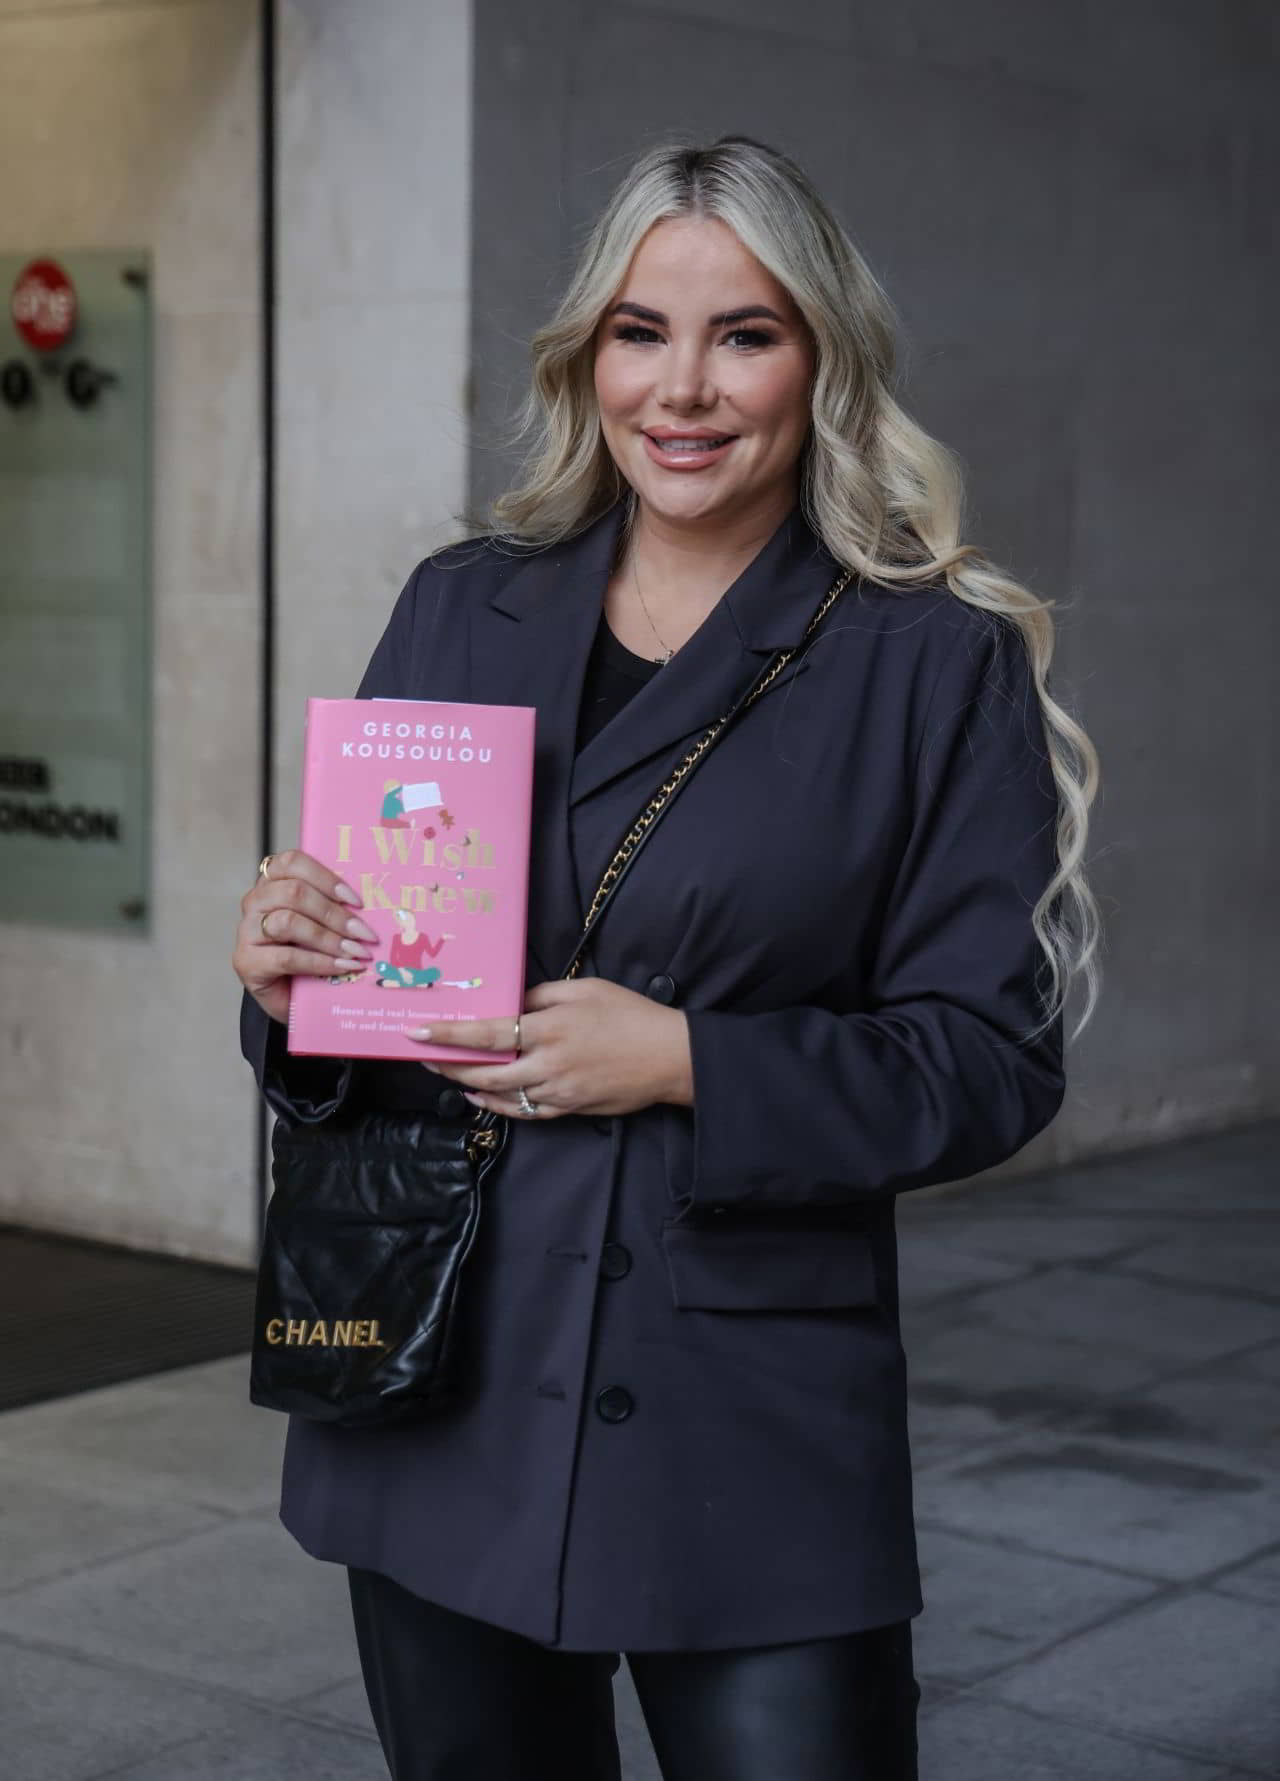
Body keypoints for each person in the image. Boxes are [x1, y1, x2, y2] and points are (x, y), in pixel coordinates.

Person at [232, 134, 1100, 1781]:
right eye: (641, 330)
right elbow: (366, 1012)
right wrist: (292, 980)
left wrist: (689, 1058)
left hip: (743, 1421)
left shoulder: (928, 657)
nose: (683, 389)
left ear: (822, 356)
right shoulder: (460, 606)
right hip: (446, 1382)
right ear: (589, 356)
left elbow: (996, 1059)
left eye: (744, 333)